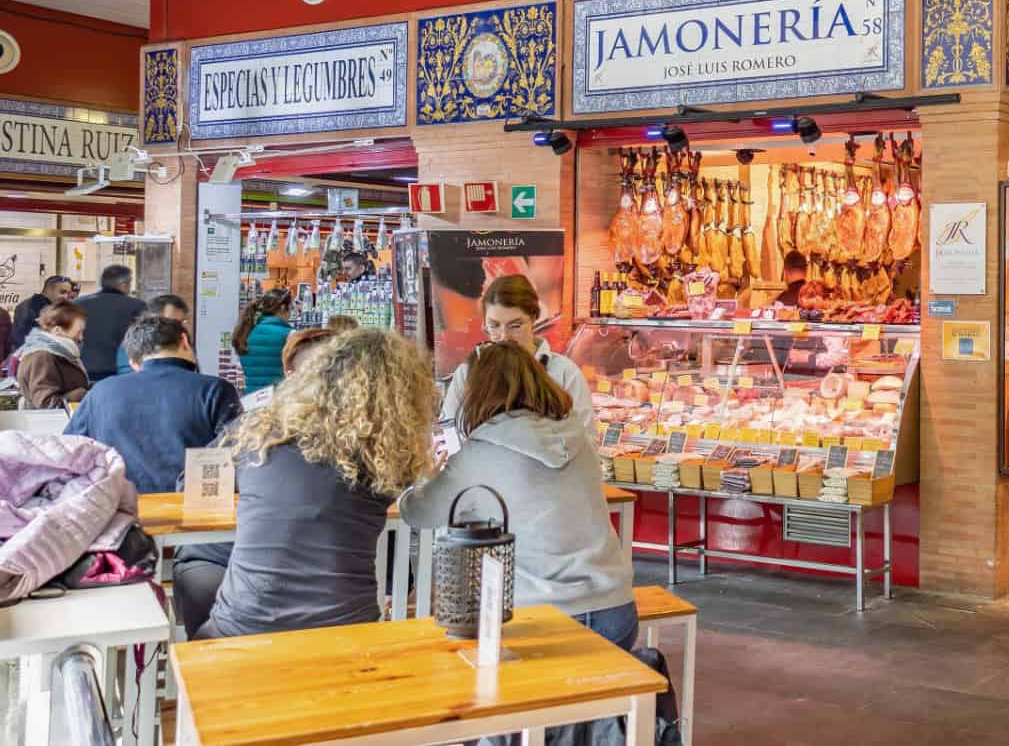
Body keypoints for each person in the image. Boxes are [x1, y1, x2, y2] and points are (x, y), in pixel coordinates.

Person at [402, 342, 660, 745]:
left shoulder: (476, 455)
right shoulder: (580, 442)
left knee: (492, 707)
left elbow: (418, 513)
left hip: (538, 621)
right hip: (615, 611)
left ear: (478, 391)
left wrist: (426, 473)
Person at [176, 329, 435, 640]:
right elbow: (424, 505)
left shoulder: (258, 434)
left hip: (240, 630)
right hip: (348, 634)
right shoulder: (384, 458)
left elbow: (190, 483)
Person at [65, 316, 241, 493]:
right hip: (193, 510)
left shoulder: (100, 392)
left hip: (120, 509)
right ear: (185, 341)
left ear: (134, 362)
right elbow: (240, 453)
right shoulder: (216, 390)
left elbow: (69, 450)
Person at [438, 274, 593, 435]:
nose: (504, 336)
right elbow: (449, 429)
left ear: (534, 319)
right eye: (494, 326)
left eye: (515, 326)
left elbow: (587, 440)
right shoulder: (468, 372)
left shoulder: (565, 374)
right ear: (484, 324)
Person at [75, 264, 144, 381]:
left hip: (82, 369)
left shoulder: (78, 303)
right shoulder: (137, 306)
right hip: (120, 372)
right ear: (124, 284)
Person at [17, 301, 89, 408]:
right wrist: (79, 395)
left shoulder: (59, 353)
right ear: (58, 331)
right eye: (78, 332)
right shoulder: (41, 357)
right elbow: (46, 404)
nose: (81, 338)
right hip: (50, 423)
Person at [232, 288, 295, 395]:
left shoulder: (246, 333)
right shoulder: (290, 335)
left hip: (251, 399)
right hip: (278, 399)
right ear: (283, 308)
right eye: (291, 308)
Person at [116, 293, 190, 376]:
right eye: (171, 323)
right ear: (152, 319)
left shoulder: (183, 342)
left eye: (182, 322)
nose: (179, 328)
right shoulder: (134, 344)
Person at [10, 275, 73, 352]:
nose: (66, 297)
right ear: (49, 290)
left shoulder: (29, 304)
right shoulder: (35, 307)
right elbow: (21, 339)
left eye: (68, 294)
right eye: (62, 292)